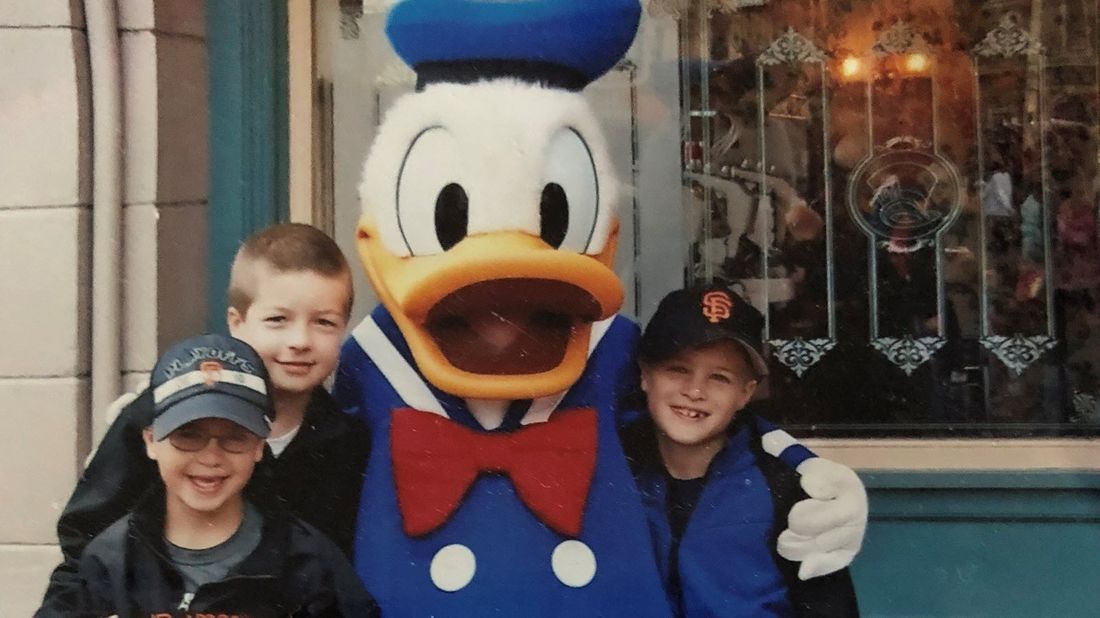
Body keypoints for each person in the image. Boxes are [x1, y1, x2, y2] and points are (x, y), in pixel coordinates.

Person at [38, 223, 370, 611]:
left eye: (323, 322)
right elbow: (86, 551)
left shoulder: (348, 442)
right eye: (278, 320)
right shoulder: (160, 412)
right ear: (236, 323)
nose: (299, 340)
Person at [37, 334, 378, 617]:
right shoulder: (111, 562)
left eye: (234, 437)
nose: (211, 457)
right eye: (188, 435)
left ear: (260, 446)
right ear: (151, 440)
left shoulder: (307, 564)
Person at [622, 284, 860, 617]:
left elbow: (830, 607)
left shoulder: (784, 489)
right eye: (678, 369)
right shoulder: (611, 469)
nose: (694, 390)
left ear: (746, 393)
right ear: (645, 375)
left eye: (719, 377)